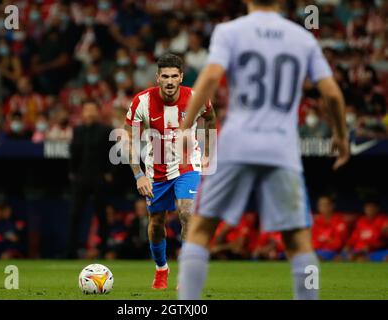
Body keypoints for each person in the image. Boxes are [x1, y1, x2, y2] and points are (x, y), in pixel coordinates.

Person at [177, 0, 349, 300]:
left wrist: (185, 126)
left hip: (236, 144)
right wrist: (341, 136)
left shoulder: (229, 31)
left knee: (202, 228)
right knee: (298, 240)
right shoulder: (303, 37)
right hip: (281, 149)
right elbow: (332, 94)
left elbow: (211, 77)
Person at [124, 53, 216, 289]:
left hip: (188, 165)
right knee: (156, 223)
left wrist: (208, 150)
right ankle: (161, 269)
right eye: (165, 76)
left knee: (187, 212)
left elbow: (211, 119)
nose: (170, 81)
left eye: (174, 76)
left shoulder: (196, 97)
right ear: (157, 78)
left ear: (181, 77)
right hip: (156, 171)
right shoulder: (141, 102)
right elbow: (129, 140)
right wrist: (139, 174)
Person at [66, 100, 114, 259]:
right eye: (86, 109)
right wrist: (73, 172)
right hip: (81, 177)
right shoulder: (78, 130)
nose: (89, 112)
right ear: (83, 112)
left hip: (99, 177)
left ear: (97, 111)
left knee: (101, 214)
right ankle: (71, 250)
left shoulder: (106, 130)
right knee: (75, 214)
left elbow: (114, 154)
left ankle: (103, 249)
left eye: (92, 109)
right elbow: (73, 152)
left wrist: (109, 173)